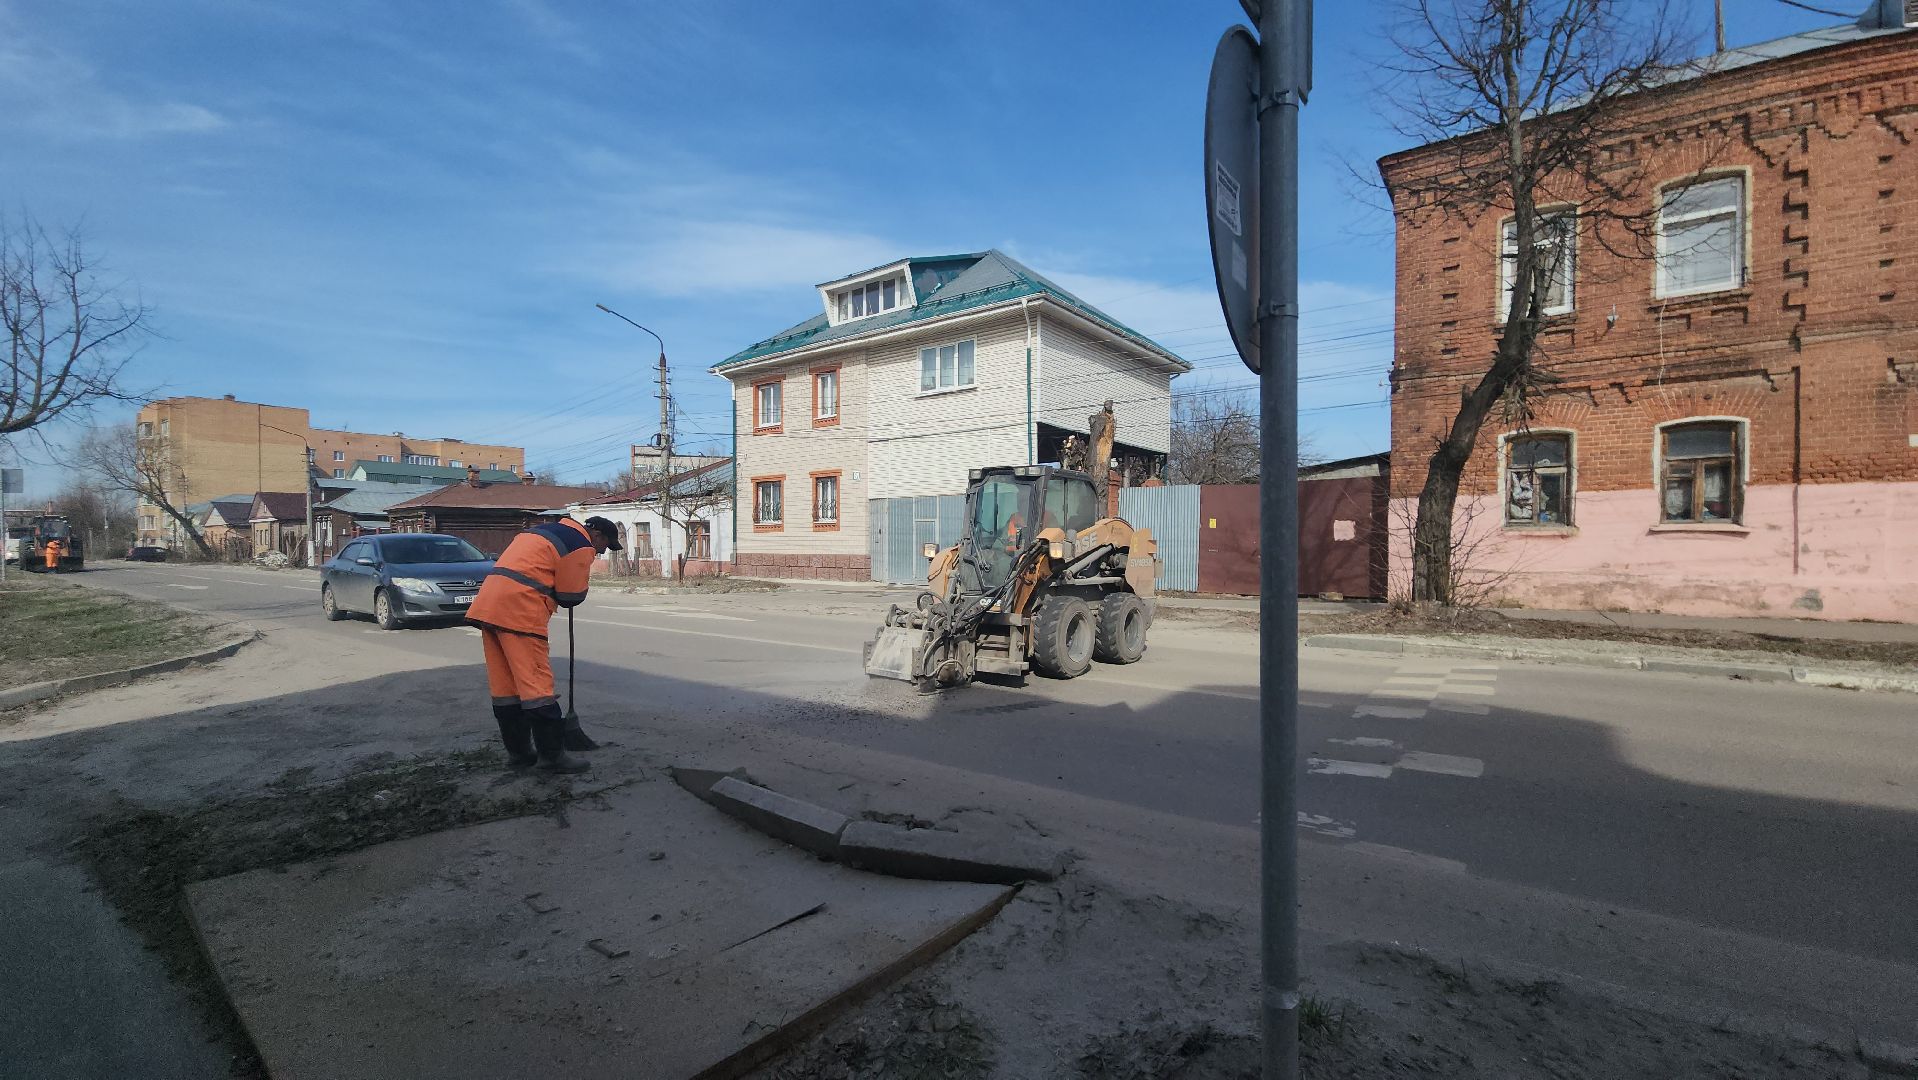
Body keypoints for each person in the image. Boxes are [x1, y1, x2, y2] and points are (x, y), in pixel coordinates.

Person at [465, 514, 622, 774]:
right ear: (597, 535)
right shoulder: (579, 544)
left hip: (488, 607)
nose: (600, 552)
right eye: (603, 547)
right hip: (520, 613)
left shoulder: (541, 531)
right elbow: (570, 596)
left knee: (506, 688)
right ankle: (552, 758)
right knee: (536, 686)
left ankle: (519, 754)